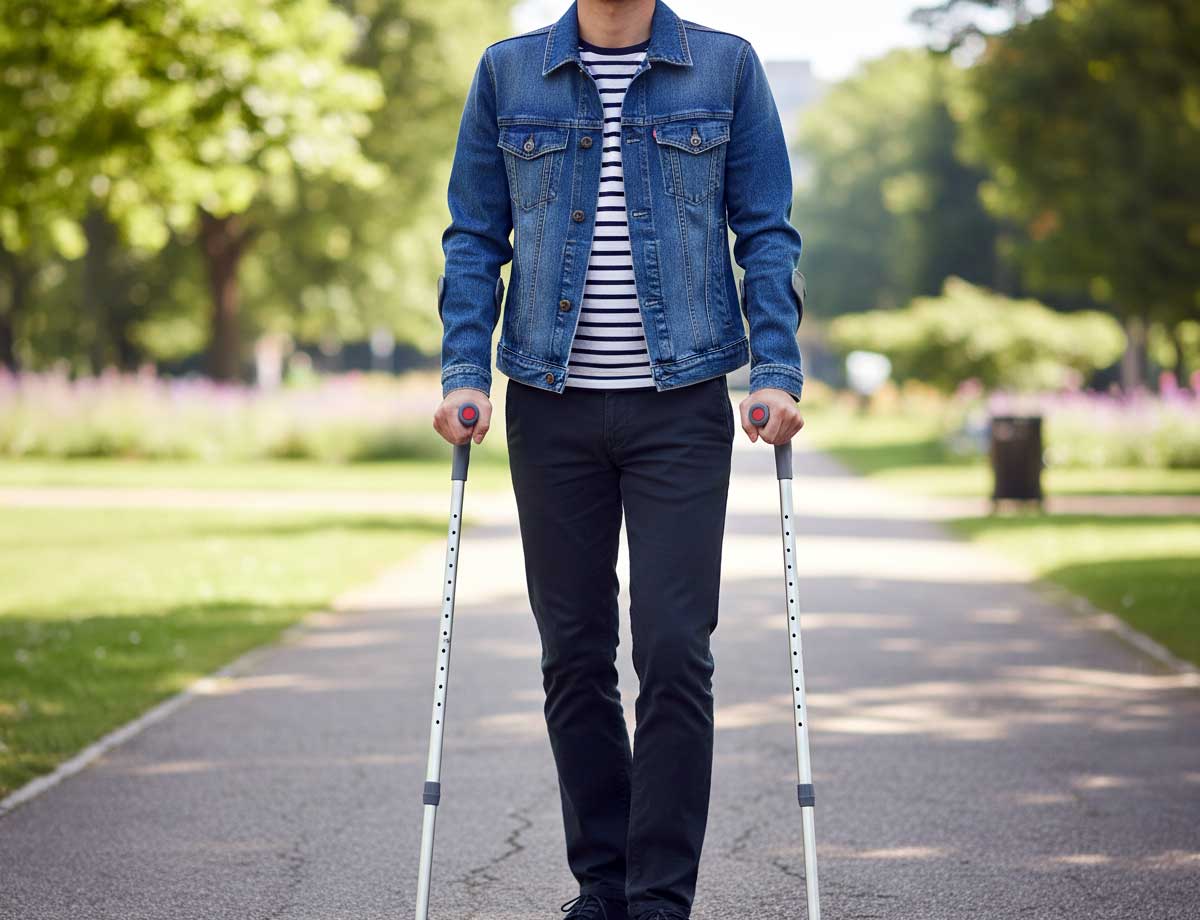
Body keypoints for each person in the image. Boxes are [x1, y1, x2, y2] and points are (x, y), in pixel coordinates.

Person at [432, 2, 805, 918]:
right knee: (573, 656)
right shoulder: (508, 72)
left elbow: (765, 230)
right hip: (550, 410)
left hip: (679, 409)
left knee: (676, 650)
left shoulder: (725, 67)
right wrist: (462, 370)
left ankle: (660, 898)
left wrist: (777, 369)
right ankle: (605, 884)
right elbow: (475, 236)